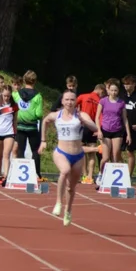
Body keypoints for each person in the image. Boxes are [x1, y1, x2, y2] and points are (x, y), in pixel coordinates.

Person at [40, 91, 101, 226]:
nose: (69, 102)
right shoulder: (57, 115)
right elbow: (45, 121)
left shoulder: (81, 115)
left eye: (72, 100)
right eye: (66, 100)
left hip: (78, 155)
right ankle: (58, 203)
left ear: (75, 101)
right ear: (62, 101)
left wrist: (84, 121)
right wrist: (43, 140)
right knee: (65, 170)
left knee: (71, 188)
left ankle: (68, 210)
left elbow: (95, 128)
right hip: (61, 152)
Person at [95, 78, 130, 182]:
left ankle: (112, 178)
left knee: (115, 156)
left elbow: (125, 119)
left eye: (115, 90)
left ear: (118, 91)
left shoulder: (121, 103)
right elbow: (97, 117)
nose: (114, 92)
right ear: (108, 90)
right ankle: (100, 174)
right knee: (105, 158)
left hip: (117, 131)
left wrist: (128, 134)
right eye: (112, 90)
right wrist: (99, 130)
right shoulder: (103, 101)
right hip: (105, 130)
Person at [15, 70, 44, 180]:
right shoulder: (38, 96)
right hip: (32, 126)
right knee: (35, 150)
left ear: (23, 80)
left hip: (20, 126)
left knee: (20, 150)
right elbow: (39, 113)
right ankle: (37, 174)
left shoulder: (17, 94)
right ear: (35, 81)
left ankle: (19, 174)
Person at [0, 83, 18, 185]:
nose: (6, 98)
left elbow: (15, 120)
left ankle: (6, 176)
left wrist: (15, 133)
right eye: (5, 95)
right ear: (1, 94)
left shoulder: (14, 106)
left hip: (9, 133)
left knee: (6, 154)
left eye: (8, 96)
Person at [75, 84, 104, 184]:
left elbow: (72, 105)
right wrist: (98, 129)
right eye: (102, 93)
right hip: (92, 126)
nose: (102, 95)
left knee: (81, 151)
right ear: (100, 90)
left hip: (82, 124)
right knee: (92, 154)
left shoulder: (83, 96)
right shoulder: (100, 101)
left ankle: (84, 175)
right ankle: (90, 176)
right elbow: (100, 116)